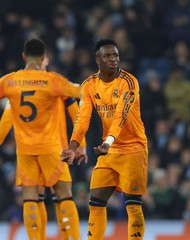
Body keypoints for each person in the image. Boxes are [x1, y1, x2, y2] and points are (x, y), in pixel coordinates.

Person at [61, 39, 148, 240]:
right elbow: (82, 119)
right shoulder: (89, 85)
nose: (113, 59)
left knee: (133, 203)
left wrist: (108, 142)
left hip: (133, 148)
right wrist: (72, 147)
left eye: (115, 55)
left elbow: (121, 116)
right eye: (107, 55)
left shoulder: (129, 81)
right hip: (108, 150)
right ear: (97, 59)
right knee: (96, 201)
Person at [0, 38, 82, 239]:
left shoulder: (9, 81)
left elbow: (5, 120)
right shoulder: (52, 81)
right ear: (44, 57)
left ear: (23, 56)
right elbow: (80, 92)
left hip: (25, 149)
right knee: (63, 193)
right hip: (51, 147)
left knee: (30, 197)